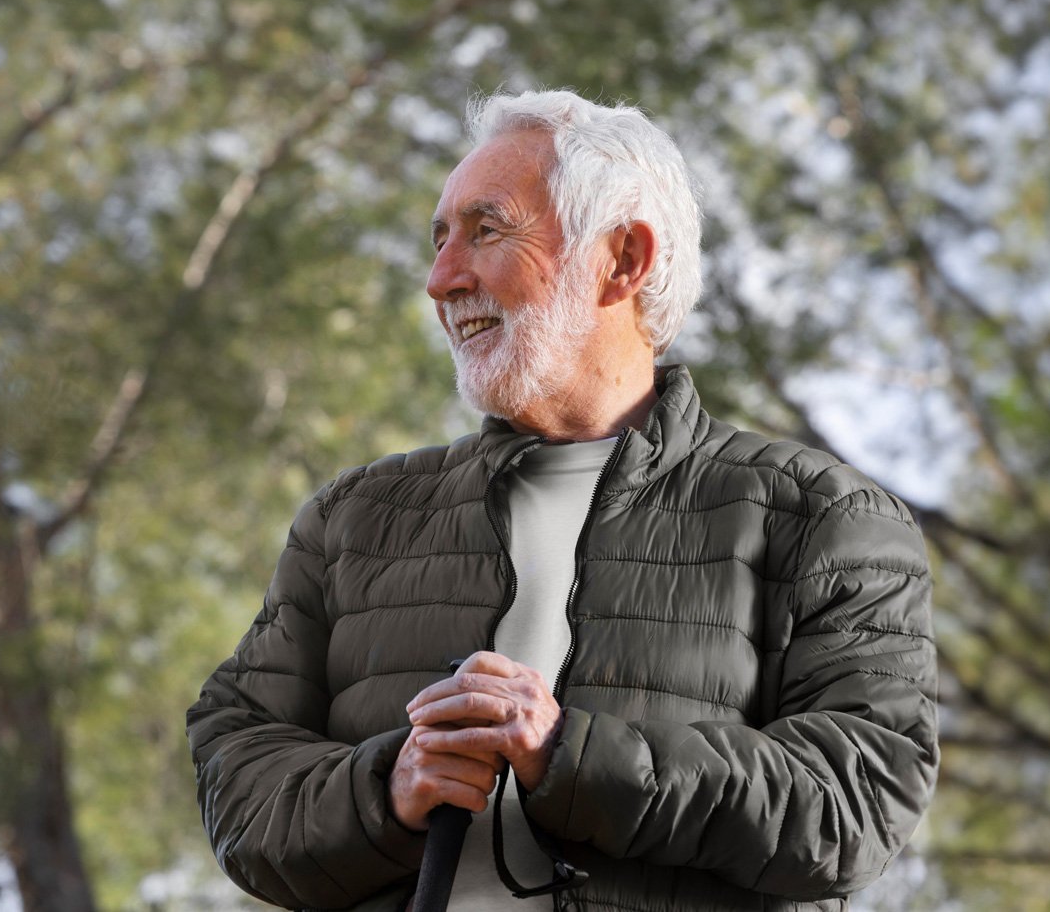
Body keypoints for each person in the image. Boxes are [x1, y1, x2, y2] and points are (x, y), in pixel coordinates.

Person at [187, 90, 938, 912]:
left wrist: (568, 756)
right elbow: (236, 764)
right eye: (438, 240)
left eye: (487, 230)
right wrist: (385, 786)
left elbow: (855, 802)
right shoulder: (354, 518)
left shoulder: (825, 516)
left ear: (621, 258)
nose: (441, 280)